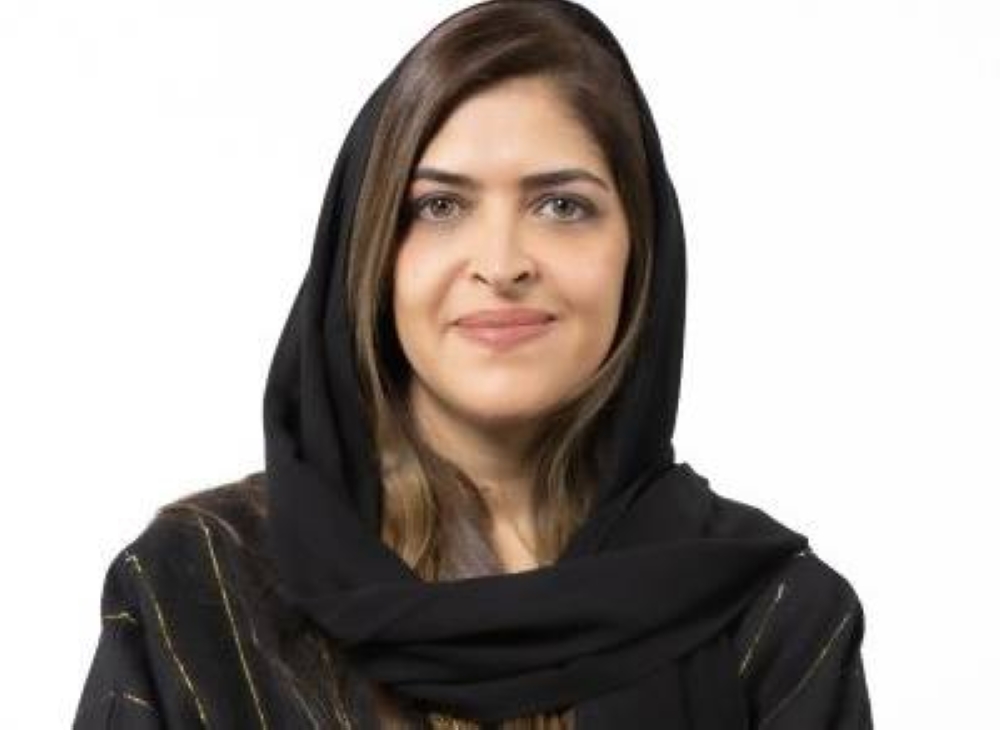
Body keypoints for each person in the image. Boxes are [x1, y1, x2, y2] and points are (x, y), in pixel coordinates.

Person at [73, 0, 874, 728]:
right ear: (369, 251)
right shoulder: (196, 591)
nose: (500, 263)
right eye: (440, 206)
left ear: (643, 253)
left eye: (562, 205)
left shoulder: (771, 614)